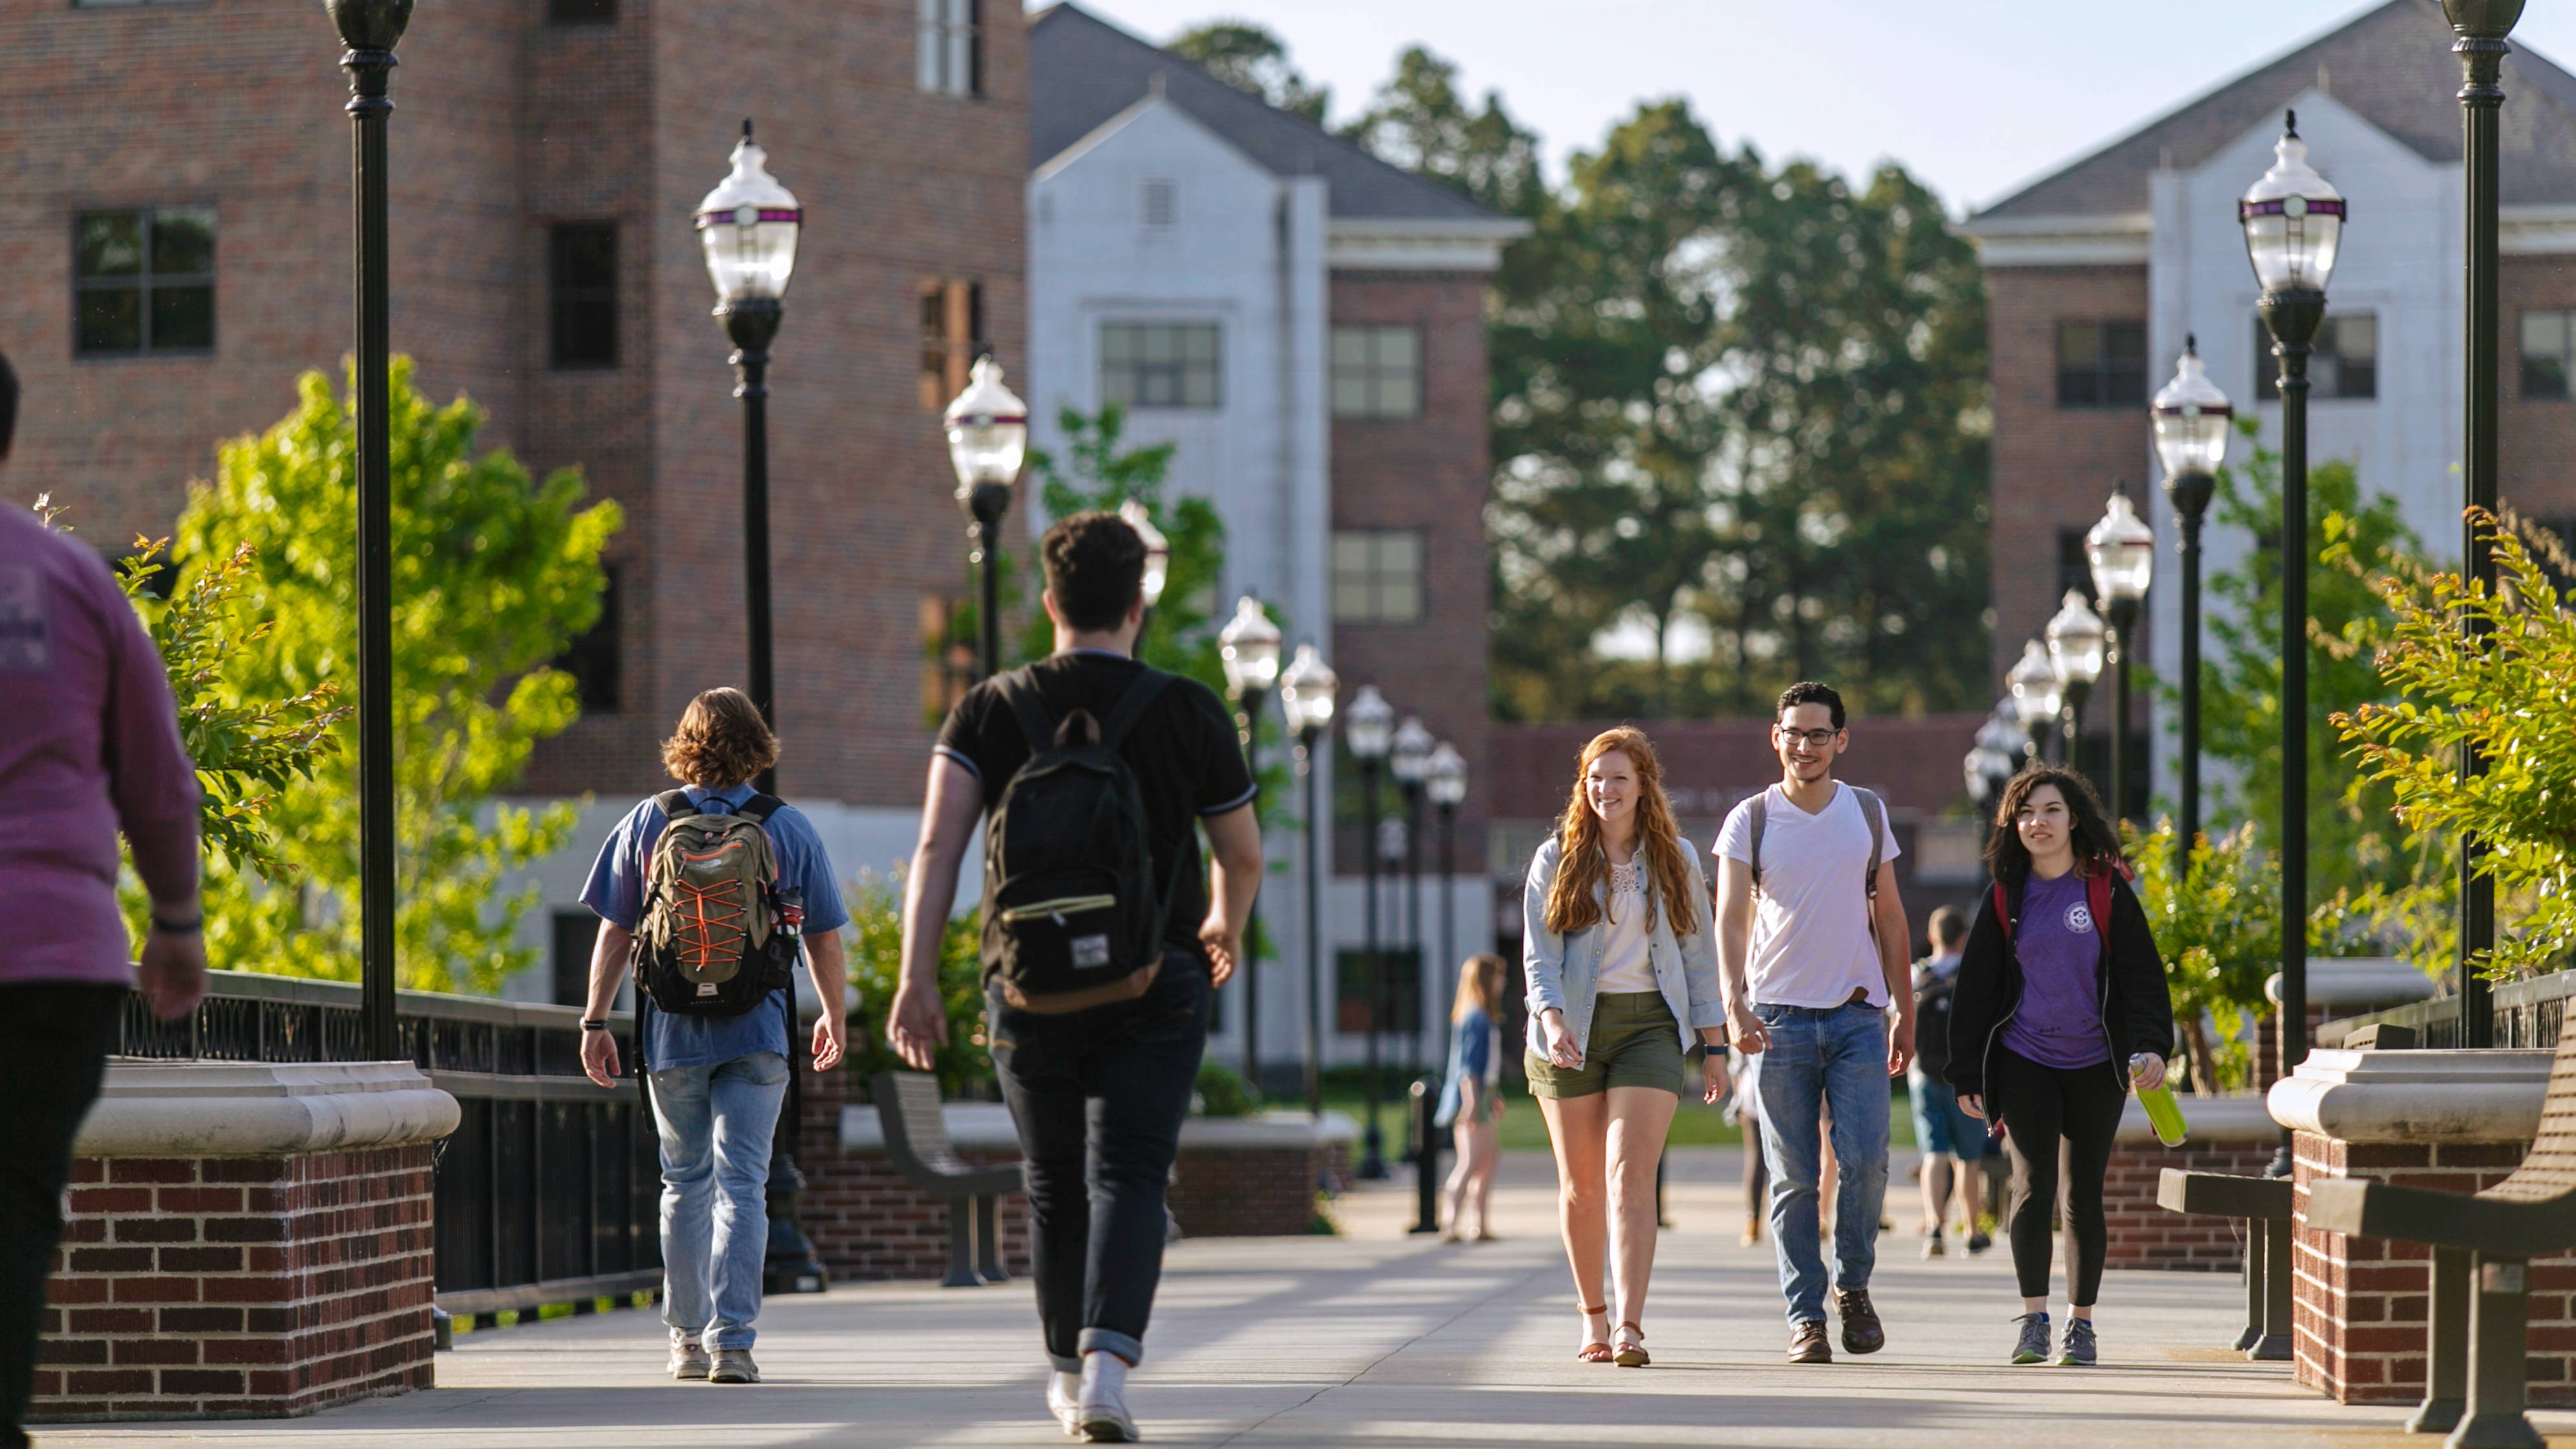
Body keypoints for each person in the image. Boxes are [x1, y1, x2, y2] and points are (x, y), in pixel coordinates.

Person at [886, 510, 1260, 1444]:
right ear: (1140, 603)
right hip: (1157, 979)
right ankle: (1105, 1371)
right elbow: (1242, 853)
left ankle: (1061, 1369)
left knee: (1052, 1181)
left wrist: (915, 977)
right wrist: (1225, 922)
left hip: (1024, 985)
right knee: (1131, 1173)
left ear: (1049, 600)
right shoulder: (1190, 708)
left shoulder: (987, 707)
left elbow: (937, 846)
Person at [0, 343, 209, 1449]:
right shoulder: (76, 579)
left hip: (54, 945)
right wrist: (175, 921)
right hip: (53, 955)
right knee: (19, 1193)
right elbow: (156, 777)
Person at [576, 687, 850, 1386]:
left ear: (685, 743)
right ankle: (734, 1343)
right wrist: (832, 1014)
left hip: (671, 1032)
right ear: (758, 743)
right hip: (758, 1029)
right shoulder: (785, 826)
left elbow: (615, 929)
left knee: (684, 1181)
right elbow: (822, 931)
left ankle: (685, 1339)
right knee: (744, 1185)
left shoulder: (647, 820)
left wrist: (595, 1020)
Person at [1715, 681, 1914, 1365]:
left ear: (1840, 739)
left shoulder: (1864, 811)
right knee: (1793, 1176)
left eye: (1817, 734)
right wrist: (1731, 1000)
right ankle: (1805, 1315)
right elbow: (1731, 916)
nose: (1804, 745)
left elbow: (1888, 916)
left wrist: (1903, 1008)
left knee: (1864, 1160)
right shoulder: (1750, 818)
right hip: (1777, 1021)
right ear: (1774, 737)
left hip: (1859, 1014)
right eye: (1792, 733)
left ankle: (1852, 1286)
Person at [1948, 766, 2174, 1367]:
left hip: (2096, 1062)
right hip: (2025, 1057)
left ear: (2072, 817)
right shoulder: (2005, 894)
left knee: (2082, 1194)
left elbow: (2142, 976)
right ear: (2011, 824)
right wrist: (1966, 1074)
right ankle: (2033, 1320)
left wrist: (2152, 1045)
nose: (2036, 823)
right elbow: (1975, 989)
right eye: (2024, 813)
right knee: (2031, 1187)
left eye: (2049, 810)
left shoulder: (2105, 888)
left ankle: (2080, 1323)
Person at [1524, 727, 1728, 1370]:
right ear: (1580, 787)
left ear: (1643, 783)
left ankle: (1631, 1326)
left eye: (1617, 777)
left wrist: (1713, 1041)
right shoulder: (1554, 856)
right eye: (1593, 778)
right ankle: (1592, 1316)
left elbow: (1700, 954)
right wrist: (1552, 1019)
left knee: (1628, 1174)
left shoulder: (1676, 857)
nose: (1603, 789)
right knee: (1581, 1185)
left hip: (1649, 1027)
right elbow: (1539, 956)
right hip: (1570, 1028)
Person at [1909, 905, 1990, 1258]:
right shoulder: (1974, 974)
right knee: (1968, 1159)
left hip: (1923, 1075)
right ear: (1963, 938)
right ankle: (1972, 1231)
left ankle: (1935, 1229)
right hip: (1965, 1078)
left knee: (1933, 1154)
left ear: (1931, 938)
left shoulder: (1916, 975)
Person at [1435, 953, 1509, 1242]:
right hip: (1472, 1097)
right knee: (1469, 1162)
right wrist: (1473, 1103)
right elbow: (1469, 1068)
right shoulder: (1476, 1018)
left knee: (1488, 1160)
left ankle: (1479, 1224)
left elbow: (1487, 1066)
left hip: (1483, 1094)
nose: (1503, 982)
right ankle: (1450, 1224)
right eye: (1499, 976)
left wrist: (1494, 1095)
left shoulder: (1481, 1017)